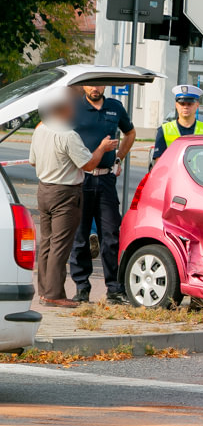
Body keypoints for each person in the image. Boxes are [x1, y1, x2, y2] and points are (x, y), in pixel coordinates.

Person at [29, 88, 116, 308]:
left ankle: (44, 291)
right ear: (65, 108)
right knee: (61, 244)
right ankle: (55, 293)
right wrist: (102, 148)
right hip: (65, 193)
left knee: (47, 242)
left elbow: (32, 161)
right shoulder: (68, 135)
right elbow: (88, 164)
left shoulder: (40, 130)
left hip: (44, 189)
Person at [69, 86, 136, 304]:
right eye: (91, 84)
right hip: (81, 178)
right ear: (85, 86)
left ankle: (114, 289)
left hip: (106, 179)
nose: (95, 88)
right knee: (80, 236)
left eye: (99, 84)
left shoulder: (114, 107)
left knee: (111, 235)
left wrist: (119, 158)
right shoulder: (74, 107)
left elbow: (130, 133)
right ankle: (82, 287)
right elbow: (56, 132)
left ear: (105, 86)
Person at [152, 85, 203, 163]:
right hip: (173, 175)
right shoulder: (163, 130)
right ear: (176, 105)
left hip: (199, 175)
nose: (185, 107)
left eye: (189, 104)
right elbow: (159, 162)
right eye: (182, 104)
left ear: (197, 105)